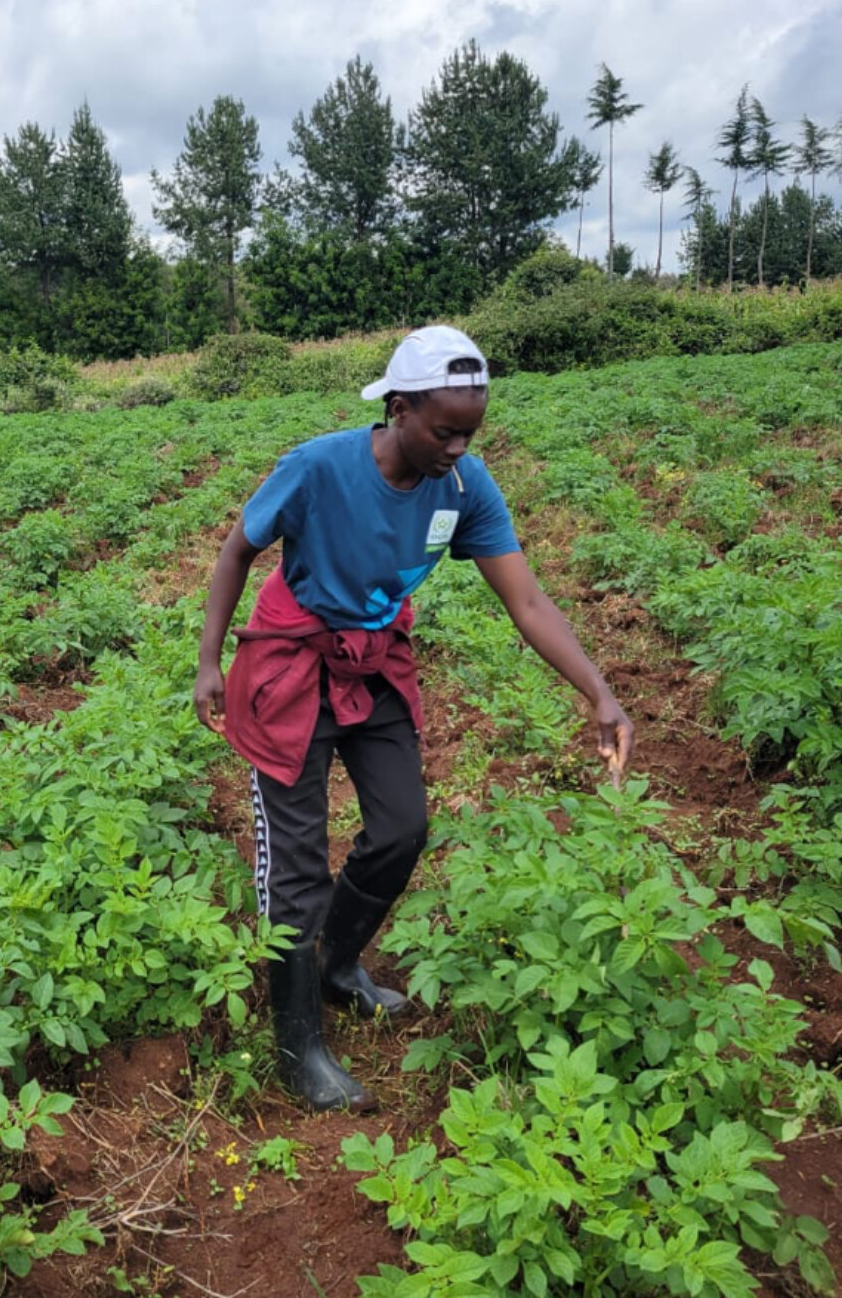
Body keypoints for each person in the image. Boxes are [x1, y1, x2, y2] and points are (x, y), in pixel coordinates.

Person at [193, 325, 633, 1112]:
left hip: (373, 662)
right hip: (292, 663)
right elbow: (235, 553)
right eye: (444, 431)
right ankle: (298, 1048)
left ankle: (336, 965)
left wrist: (599, 692)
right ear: (399, 409)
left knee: (402, 828)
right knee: (296, 866)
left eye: (470, 433)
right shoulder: (319, 467)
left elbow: (527, 600)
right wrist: (208, 662)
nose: (458, 448)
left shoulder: (463, 486)